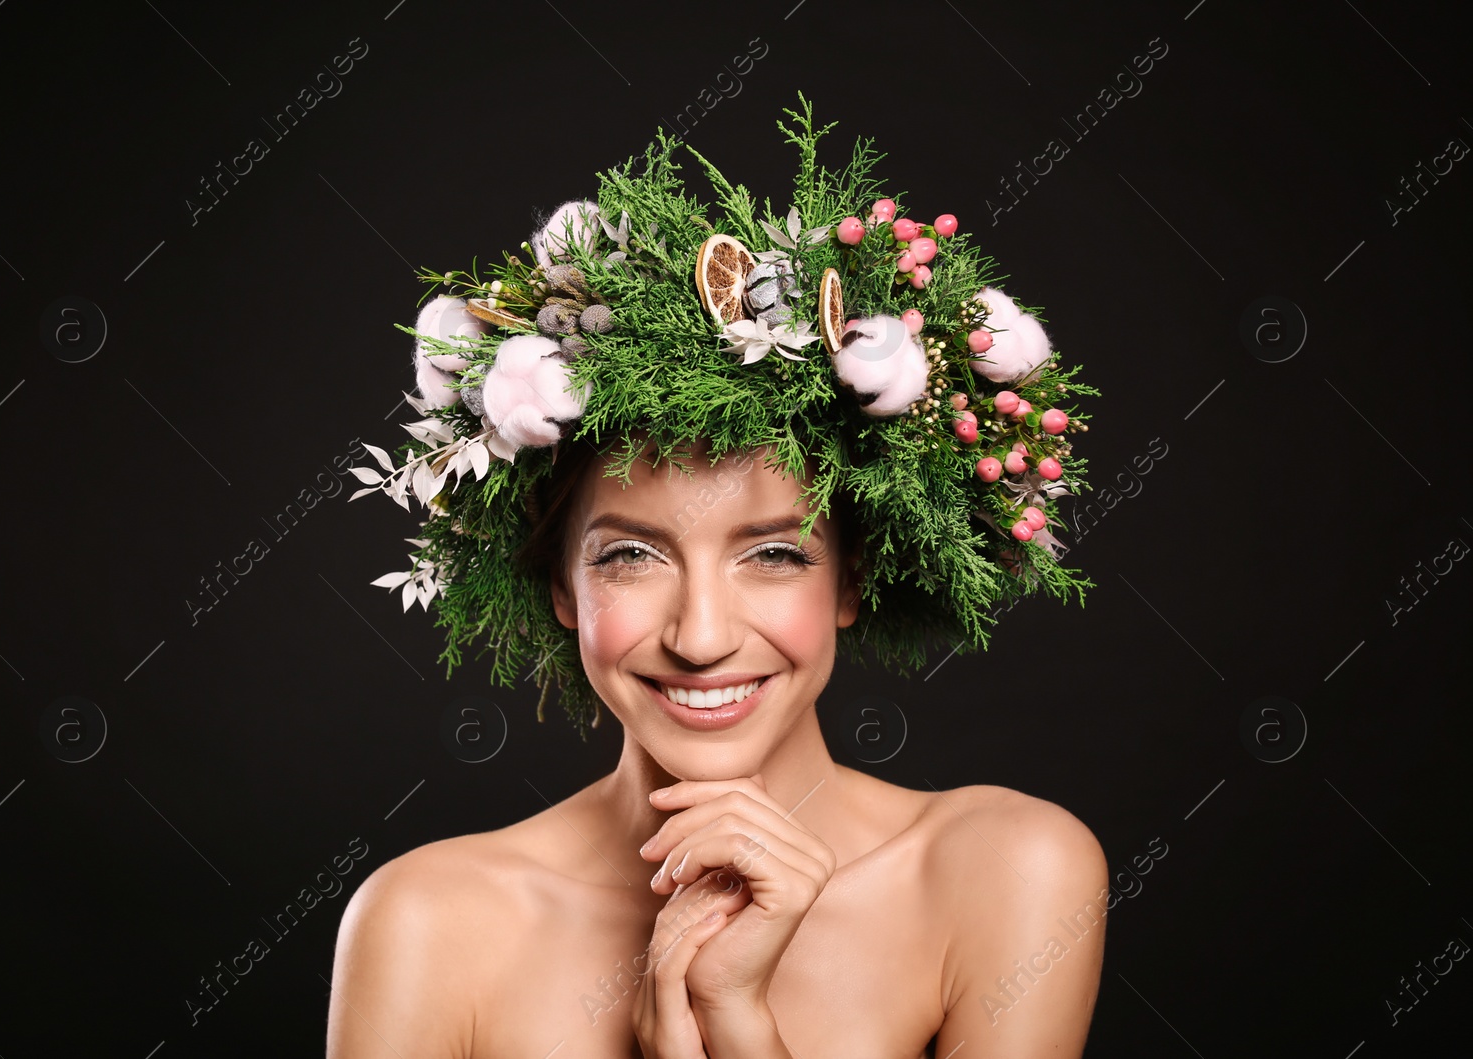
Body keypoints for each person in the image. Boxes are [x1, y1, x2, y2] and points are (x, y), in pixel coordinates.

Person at [327, 96, 1107, 1056]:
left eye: (775, 554)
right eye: (631, 556)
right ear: (564, 587)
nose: (700, 637)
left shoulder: (1006, 875)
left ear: (851, 581)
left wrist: (739, 1023)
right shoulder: (426, 923)